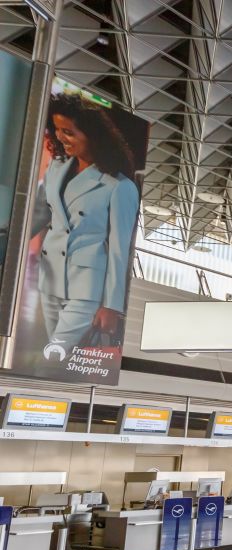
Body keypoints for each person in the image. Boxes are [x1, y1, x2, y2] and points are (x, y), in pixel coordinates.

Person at [28, 93, 139, 360]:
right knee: (58, 357)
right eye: (57, 130)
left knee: (55, 351)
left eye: (68, 132)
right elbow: (41, 212)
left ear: (92, 135)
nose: (61, 137)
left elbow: (119, 249)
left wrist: (112, 305)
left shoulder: (119, 187)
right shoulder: (57, 167)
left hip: (87, 286)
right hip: (50, 275)